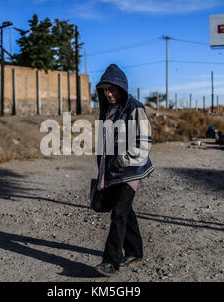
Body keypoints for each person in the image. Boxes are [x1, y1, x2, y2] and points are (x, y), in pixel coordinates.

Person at [93, 64, 154, 277]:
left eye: (113, 89)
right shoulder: (109, 110)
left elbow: (144, 142)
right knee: (125, 210)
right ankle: (135, 251)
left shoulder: (134, 108)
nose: (109, 93)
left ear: (121, 88)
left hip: (130, 169)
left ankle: (110, 262)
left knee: (118, 212)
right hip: (113, 171)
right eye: (105, 90)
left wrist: (126, 159)